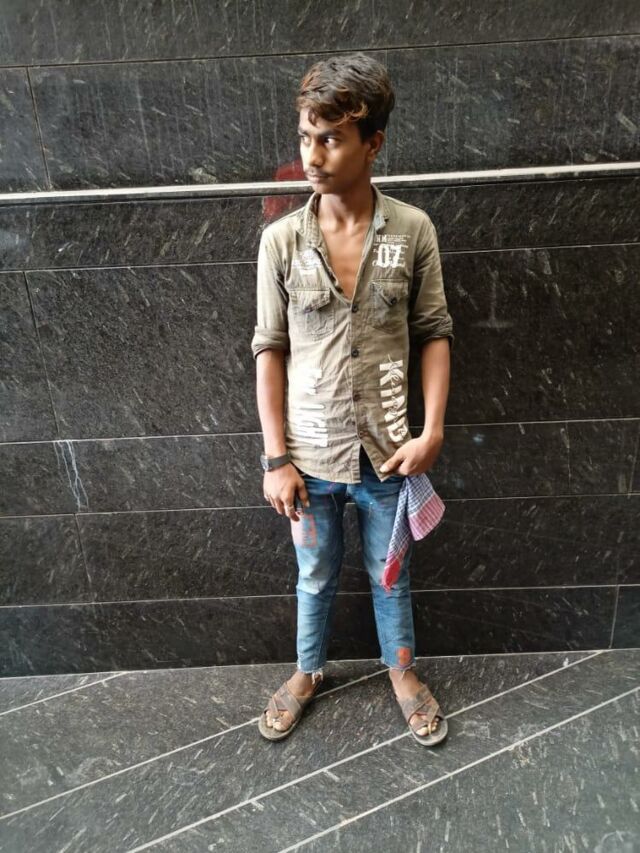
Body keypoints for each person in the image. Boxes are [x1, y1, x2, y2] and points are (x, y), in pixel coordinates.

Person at [251, 52, 454, 743]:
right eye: (306, 137)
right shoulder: (280, 241)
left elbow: (434, 332)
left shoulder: (413, 231)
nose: (313, 156)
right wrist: (276, 458)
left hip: (390, 453)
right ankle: (307, 670)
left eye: (332, 139)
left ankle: (402, 672)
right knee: (313, 573)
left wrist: (432, 431)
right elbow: (269, 350)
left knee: (390, 573)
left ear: (373, 144)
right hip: (307, 459)